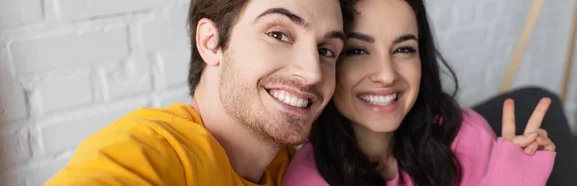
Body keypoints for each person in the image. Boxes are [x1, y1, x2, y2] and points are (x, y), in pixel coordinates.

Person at [45, 0, 354, 185]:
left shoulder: (296, 165)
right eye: (278, 34)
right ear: (211, 42)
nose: (313, 72)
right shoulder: (146, 153)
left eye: (327, 50)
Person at [282, 0, 557, 185]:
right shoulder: (306, 178)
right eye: (357, 51)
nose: (387, 75)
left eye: (403, 49)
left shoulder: (468, 135)